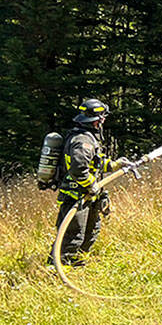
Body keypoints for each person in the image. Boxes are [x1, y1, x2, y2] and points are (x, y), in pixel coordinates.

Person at [49, 99, 125, 267]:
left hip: (89, 197)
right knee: (73, 235)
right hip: (76, 196)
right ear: (97, 120)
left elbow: (96, 164)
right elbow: (78, 169)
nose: (104, 121)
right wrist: (92, 186)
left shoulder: (89, 137)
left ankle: (76, 264)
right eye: (102, 117)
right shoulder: (82, 141)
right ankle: (57, 271)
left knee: (91, 231)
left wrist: (117, 164)